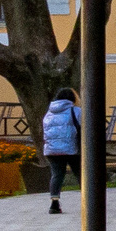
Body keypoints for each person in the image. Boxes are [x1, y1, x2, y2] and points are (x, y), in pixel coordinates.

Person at [40, 87, 81, 216]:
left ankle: (54, 203)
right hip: (72, 149)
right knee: (81, 173)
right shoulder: (76, 110)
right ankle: (89, 201)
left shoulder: (49, 112)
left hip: (52, 150)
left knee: (57, 175)